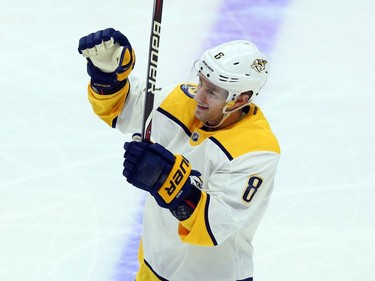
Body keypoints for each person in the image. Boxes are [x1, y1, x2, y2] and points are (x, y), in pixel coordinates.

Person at [78, 28, 280, 281]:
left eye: (212, 91)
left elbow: (212, 226)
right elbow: (121, 109)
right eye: (201, 82)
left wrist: (164, 178)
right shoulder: (183, 101)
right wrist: (106, 78)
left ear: (240, 99)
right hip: (152, 268)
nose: (199, 96)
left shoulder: (255, 152)